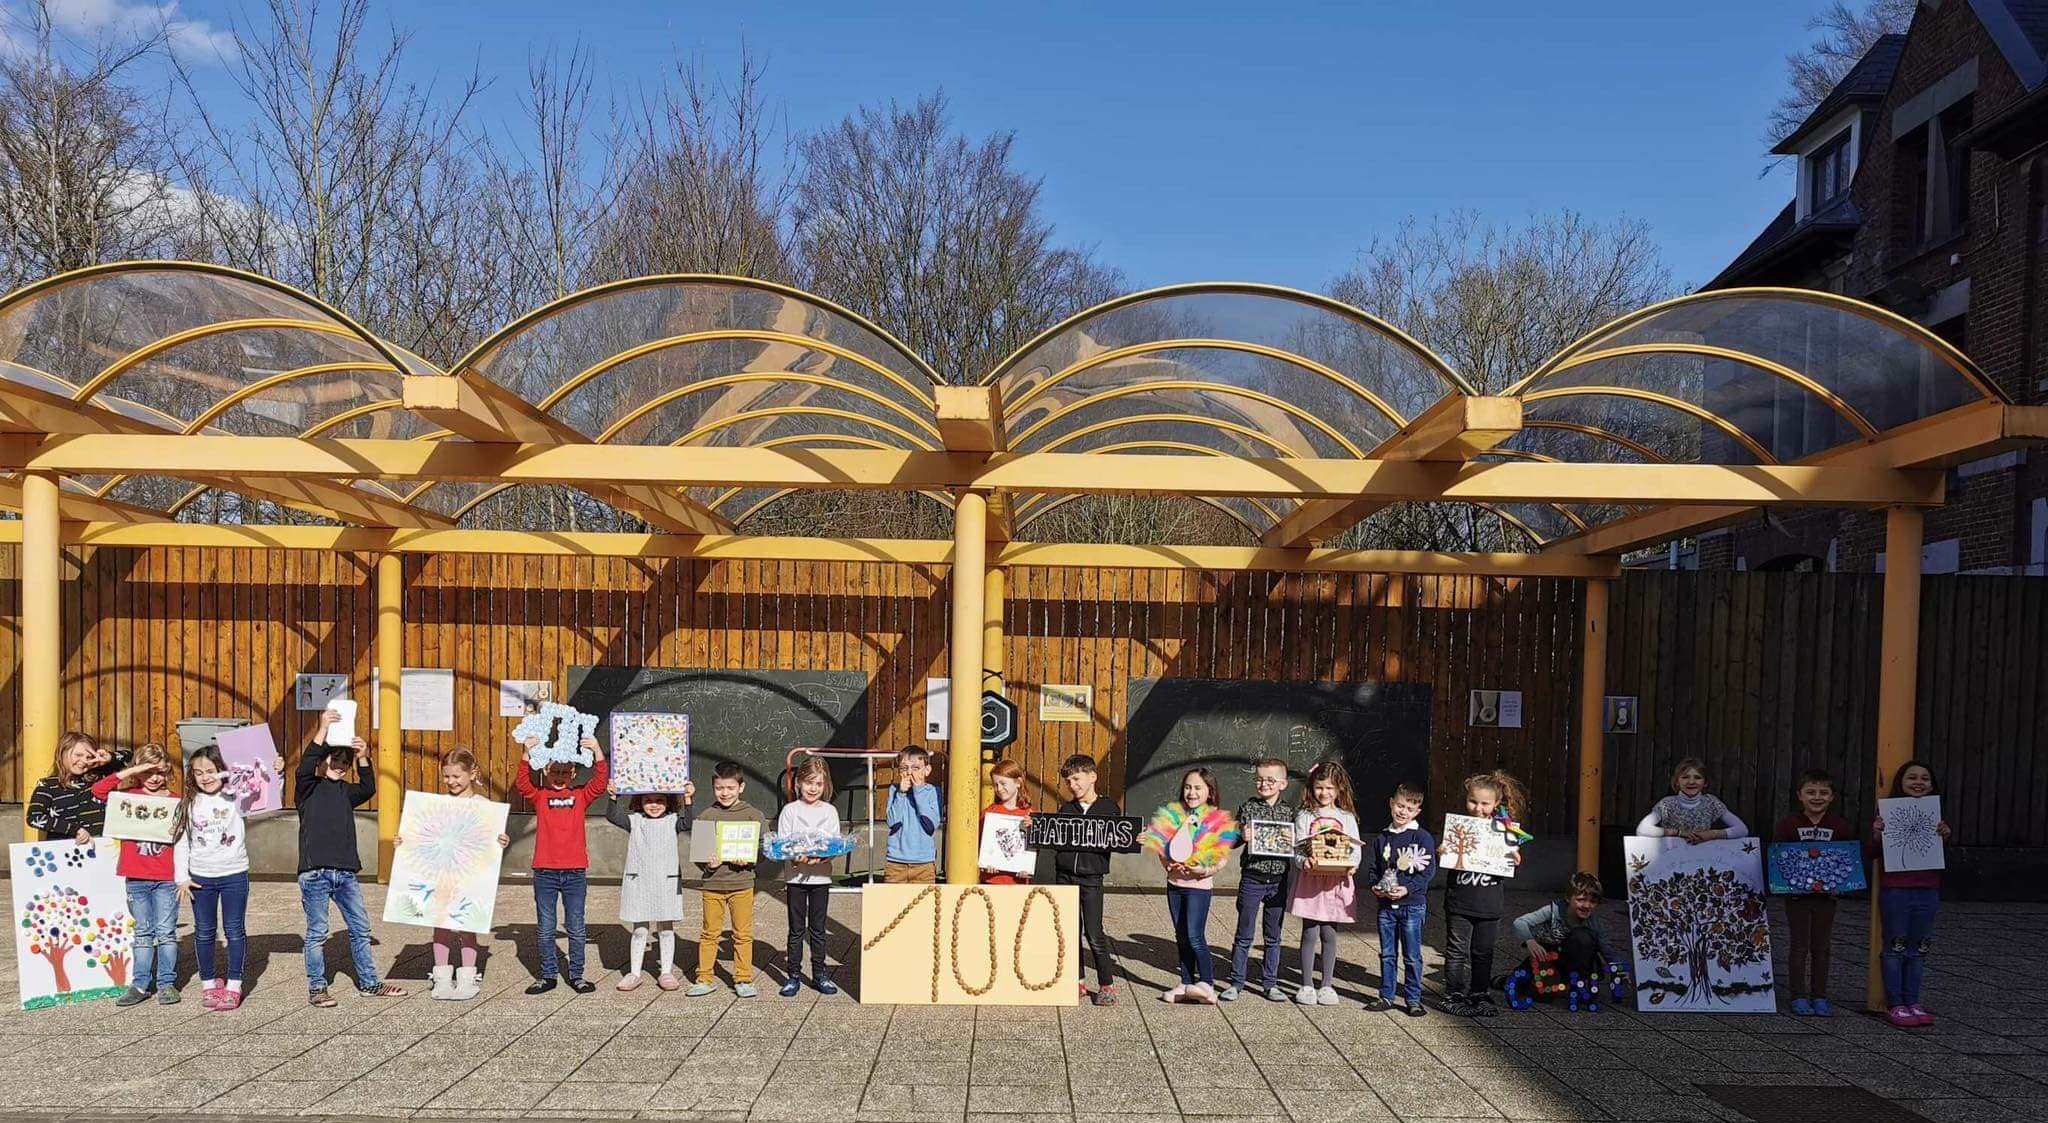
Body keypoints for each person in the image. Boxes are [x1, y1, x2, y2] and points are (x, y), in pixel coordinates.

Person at [297, 710, 405, 1005]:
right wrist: (322, 729)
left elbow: (369, 787)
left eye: (345, 762)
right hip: (314, 873)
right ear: (323, 761)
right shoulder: (308, 789)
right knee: (318, 932)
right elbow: (305, 766)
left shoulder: (346, 792)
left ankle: (369, 983)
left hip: (345, 873)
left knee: (360, 928)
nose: (340, 766)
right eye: (335, 760)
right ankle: (317, 987)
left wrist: (363, 756)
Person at [174, 742, 283, 1011]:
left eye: (211, 771)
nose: (205, 777)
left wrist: (278, 773)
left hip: (234, 874)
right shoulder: (189, 802)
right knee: (204, 932)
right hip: (200, 878)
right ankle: (209, 983)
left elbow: (266, 798)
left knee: (234, 931)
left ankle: (235, 984)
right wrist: (181, 877)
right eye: (198, 773)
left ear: (223, 770)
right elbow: (181, 842)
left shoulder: (236, 796)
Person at [513, 730, 608, 995]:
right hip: (544, 872)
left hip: (575, 872)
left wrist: (597, 750)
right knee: (545, 927)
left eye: (565, 773)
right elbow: (522, 784)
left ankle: (577, 975)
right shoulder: (540, 796)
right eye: (555, 772)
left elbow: (600, 783)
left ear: (574, 774)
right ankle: (548, 975)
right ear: (545, 771)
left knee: (576, 926)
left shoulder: (580, 796)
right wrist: (525, 754)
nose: (559, 777)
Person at [413, 749, 509, 1001]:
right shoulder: (437, 805)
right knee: (441, 925)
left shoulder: (485, 807)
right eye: (446, 777)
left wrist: (501, 841)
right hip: (442, 875)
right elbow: (422, 839)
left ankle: (468, 975)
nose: (451, 781)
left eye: (456, 776)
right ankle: (442, 977)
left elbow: (491, 843)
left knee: (468, 924)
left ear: (471, 773)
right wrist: (405, 841)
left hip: (469, 877)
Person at [93, 744, 182, 1006]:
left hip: (167, 877)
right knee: (143, 932)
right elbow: (98, 791)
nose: (155, 778)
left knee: (166, 932)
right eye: (149, 772)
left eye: (160, 772)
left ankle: (167, 983)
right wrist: (133, 770)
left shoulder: (176, 800)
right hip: (137, 877)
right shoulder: (127, 796)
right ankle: (140, 983)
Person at [1144, 766, 1237, 1004]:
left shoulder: (1216, 820)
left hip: (1199, 887)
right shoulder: (1173, 816)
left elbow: (1222, 858)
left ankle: (1207, 983)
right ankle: (1185, 982)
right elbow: (1162, 847)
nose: (1191, 792)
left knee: (1195, 935)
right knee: (1181, 935)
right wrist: (1167, 865)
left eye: (1197, 787)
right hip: (1174, 885)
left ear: (1209, 791)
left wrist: (1203, 870)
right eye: (1187, 787)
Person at [1870, 759, 1951, 1028]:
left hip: (1928, 890)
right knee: (1896, 945)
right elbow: (1871, 853)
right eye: (1911, 777)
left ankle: (1913, 1001)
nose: (1918, 782)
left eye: (1924, 778)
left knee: (1920, 946)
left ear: (1932, 785)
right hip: (1896, 890)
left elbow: (1940, 855)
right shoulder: (1887, 815)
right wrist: (1877, 835)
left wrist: (1945, 836)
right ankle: (1896, 1003)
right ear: (1900, 783)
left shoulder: (1936, 817)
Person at [1442, 770, 1529, 1018]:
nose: (1478, 808)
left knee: (1483, 951)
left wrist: (1514, 857)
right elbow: (1446, 855)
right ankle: (1453, 994)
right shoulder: (1459, 827)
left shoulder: (1505, 830)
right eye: (1473, 801)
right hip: (1459, 900)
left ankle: (1479, 993)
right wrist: (1443, 850)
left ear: (1496, 804)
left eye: (1484, 803)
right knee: (1456, 950)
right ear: (1466, 799)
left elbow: (1514, 860)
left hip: (1489, 903)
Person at [1773, 768, 1856, 1017]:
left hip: (1826, 898)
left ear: (1832, 797)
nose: (1817, 797)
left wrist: (1842, 884)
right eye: (1811, 792)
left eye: (1823, 792)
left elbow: (1848, 860)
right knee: (1799, 946)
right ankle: (1798, 995)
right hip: (1797, 897)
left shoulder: (1839, 825)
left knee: (1822, 946)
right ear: (1800, 795)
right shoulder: (1789, 824)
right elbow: (1778, 857)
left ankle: (1819, 996)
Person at [1221, 757, 1296, 1002]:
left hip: (1278, 879)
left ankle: (1270, 983)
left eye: (1270, 780)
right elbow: (1232, 841)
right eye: (1260, 779)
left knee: (1273, 935)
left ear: (1283, 783)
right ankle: (1236, 982)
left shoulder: (1289, 812)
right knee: (1244, 932)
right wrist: (1242, 835)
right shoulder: (1248, 807)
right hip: (1252, 877)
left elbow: (1296, 844)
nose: (1264, 784)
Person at [690, 761, 766, 998]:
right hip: (712, 885)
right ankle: (704, 977)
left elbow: (763, 848)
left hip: (742, 884)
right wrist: (707, 864)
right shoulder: (706, 815)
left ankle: (743, 978)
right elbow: (699, 853)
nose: (725, 793)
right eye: (720, 788)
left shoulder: (753, 815)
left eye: (730, 788)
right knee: (709, 933)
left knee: (742, 934)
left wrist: (751, 859)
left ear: (741, 787)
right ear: (713, 788)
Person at [1288, 761, 1360, 1007]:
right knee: (1309, 931)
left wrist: (1352, 864)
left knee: (1329, 932)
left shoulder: (1346, 817)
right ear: (1311, 788)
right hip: (1311, 883)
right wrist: (1302, 861)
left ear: (1339, 789)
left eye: (1330, 788)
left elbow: (1355, 848)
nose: (1324, 793)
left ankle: (1327, 984)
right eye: (1319, 787)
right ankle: (1306, 984)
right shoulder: (1305, 816)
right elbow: (1297, 849)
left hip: (1335, 884)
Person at [1052, 753, 1122, 1006]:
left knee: (1094, 933)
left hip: (1092, 877)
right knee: (1070, 932)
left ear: (1092, 777)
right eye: (1069, 781)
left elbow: (1119, 838)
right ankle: (1077, 982)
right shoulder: (1066, 809)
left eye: (1077, 779)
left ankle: (1106, 984)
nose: (1073, 785)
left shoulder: (1108, 808)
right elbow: (1053, 837)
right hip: (1065, 876)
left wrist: (1135, 839)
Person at [1367, 782, 1436, 1015]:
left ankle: (1413, 999)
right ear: (1391, 803)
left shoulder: (1422, 837)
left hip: (1412, 906)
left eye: (1409, 808)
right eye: (1399, 805)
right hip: (1386, 906)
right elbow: (1374, 868)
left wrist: (1407, 888)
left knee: (1412, 955)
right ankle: (1386, 996)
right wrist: (1375, 886)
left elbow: (1428, 872)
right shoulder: (1382, 838)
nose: (1402, 811)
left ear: (1417, 812)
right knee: (1387, 953)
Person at [777, 756, 841, 996]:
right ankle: (793, 975)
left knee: (818, 928)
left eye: (819, 784)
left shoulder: (830, 811)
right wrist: (796, 857)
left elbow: (834, 844)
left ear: (825, 786)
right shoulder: (790, 811)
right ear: (798, 784)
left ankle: (819, 974)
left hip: (821, 878)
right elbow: (783, 844)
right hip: (795, 878)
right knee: (796, 929)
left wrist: (823, 858)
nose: (813, 788)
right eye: (808, 782)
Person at [1511, 872, 1611, 993]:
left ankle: (1578, 983)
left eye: (1593, 902)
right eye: (1581, 900)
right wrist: (1530, 941)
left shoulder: (1594, 922)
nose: (1587, 905)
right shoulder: (1553, 910)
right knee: (1541, 992)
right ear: (1569, 898)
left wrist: (1620, 969)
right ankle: (1512, 981)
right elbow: (1520, 922)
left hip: (1574, 962)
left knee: (1583, 937)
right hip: (1549, 957)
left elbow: (1607, 949)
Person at [28, 731, 118, 844]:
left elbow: (131, 758)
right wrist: (75, 829)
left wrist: (110, 758)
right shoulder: (47, 785)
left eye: (89, 757)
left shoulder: (99, 778)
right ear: (62, 753)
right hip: (65, 852)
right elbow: (34, 818)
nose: (84, 761)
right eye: (78, 755)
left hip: (102, 850)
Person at [1636, 758, 1747, 842]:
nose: (1691, 782)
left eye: (1697, 777)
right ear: (1677, 782)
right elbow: (1642, 829)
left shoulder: (1712, 803)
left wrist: (1712, 834)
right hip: (1670, 858)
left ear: (1705, 782)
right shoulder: (1667, 804)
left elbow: (1742, 830)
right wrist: (1678, 833)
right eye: (1685, 777)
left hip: (1702, 859)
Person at [885, 747, 943, 883]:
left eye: (916, 768)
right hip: (896, 863)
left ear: (927, 770)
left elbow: (930, 824)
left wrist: (918, 791)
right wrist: (901, 794)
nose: (910, 772)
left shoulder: (933, 791)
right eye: (904, 768)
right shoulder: (895, 790)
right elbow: (892, 822)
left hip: (924, 864)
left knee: (923, 903)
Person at [981, 759, 1033, 885]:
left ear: (1018, 782)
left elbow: (1036, 849)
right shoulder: (988, 813)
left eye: (1003, 783)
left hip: (1018, 882)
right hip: (992, 881)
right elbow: (982, 845)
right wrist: (986, 863)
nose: (999, 788)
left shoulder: (1030, 814)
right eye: (995, 784)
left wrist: (1028, 867)